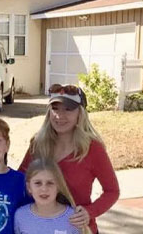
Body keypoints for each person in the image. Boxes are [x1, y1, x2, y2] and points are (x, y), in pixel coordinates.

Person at [19, 85, 119, 234]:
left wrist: (89, 212)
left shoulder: (92, 148)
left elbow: (112, 191)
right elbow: (19, 179)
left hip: (78, 229)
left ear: (81, 113)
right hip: (40, 227)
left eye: (68, 109)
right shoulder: (38, 144)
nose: (60, 115)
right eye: (55, 108)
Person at [14, 158, 87, 234]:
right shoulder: (21, 216)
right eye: (38, 183)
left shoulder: (72, 217)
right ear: (29, 187)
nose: (44, 189)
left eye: (50, 183)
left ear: (58, 186)